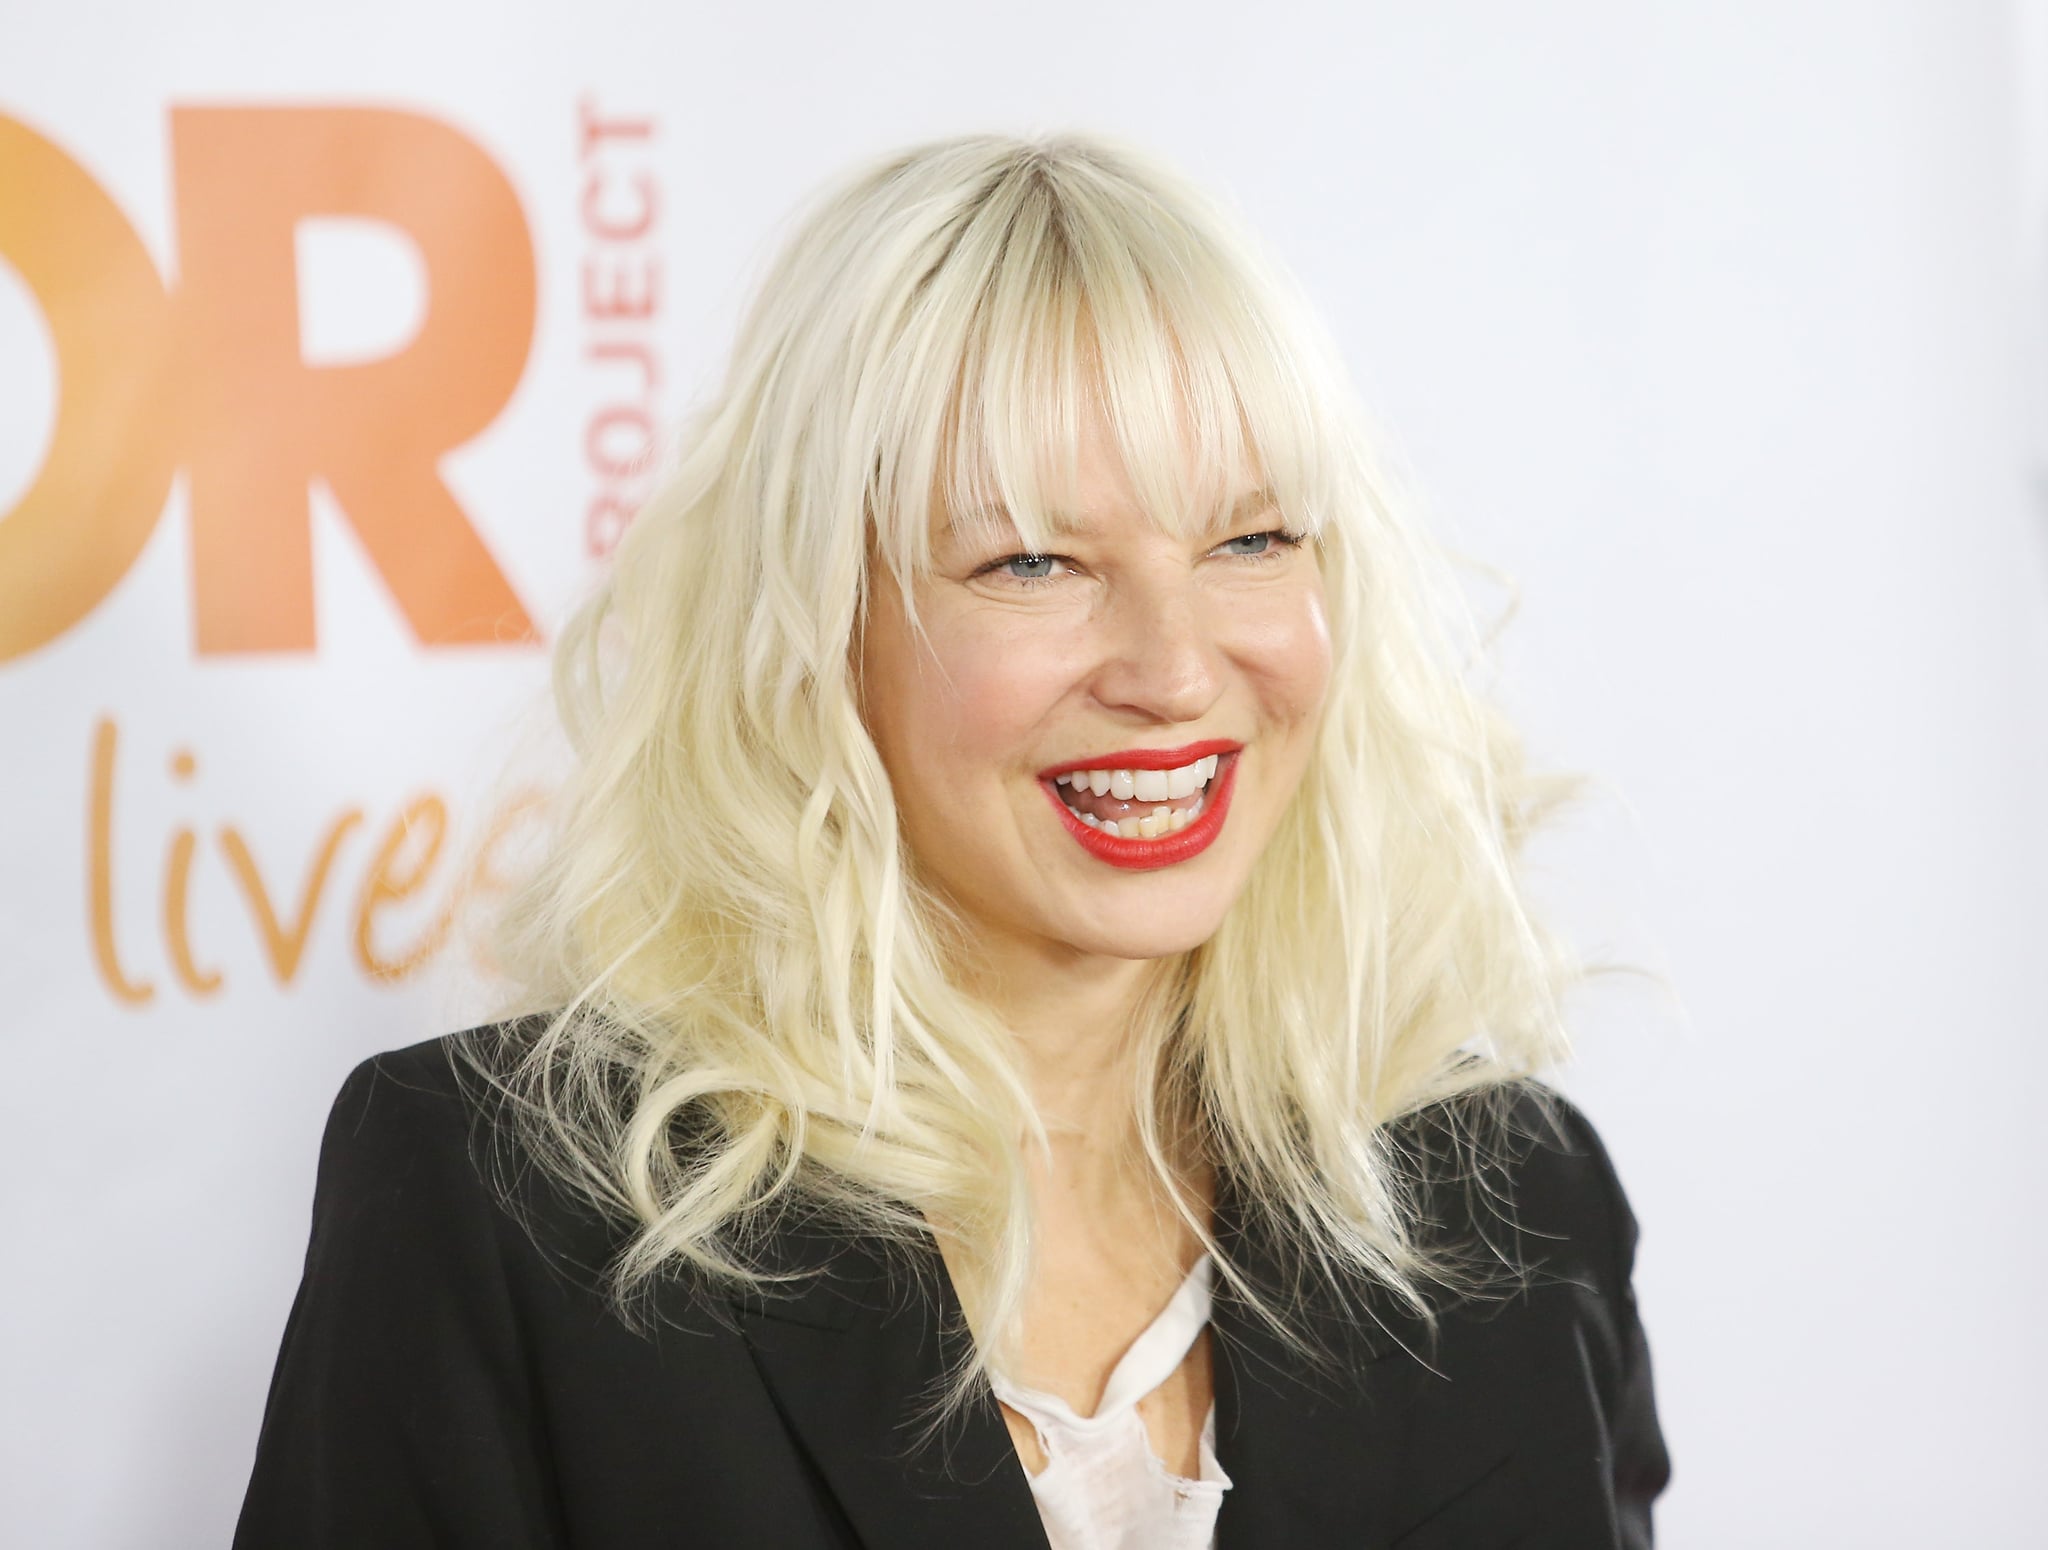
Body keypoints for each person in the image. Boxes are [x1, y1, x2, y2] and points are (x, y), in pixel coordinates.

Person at [234, 132, 1668, 1549]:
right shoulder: (501, 1211)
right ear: (813, 628)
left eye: (1250, 542)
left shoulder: (1524, 1202)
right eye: (1032, 560)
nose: (1173, 669)